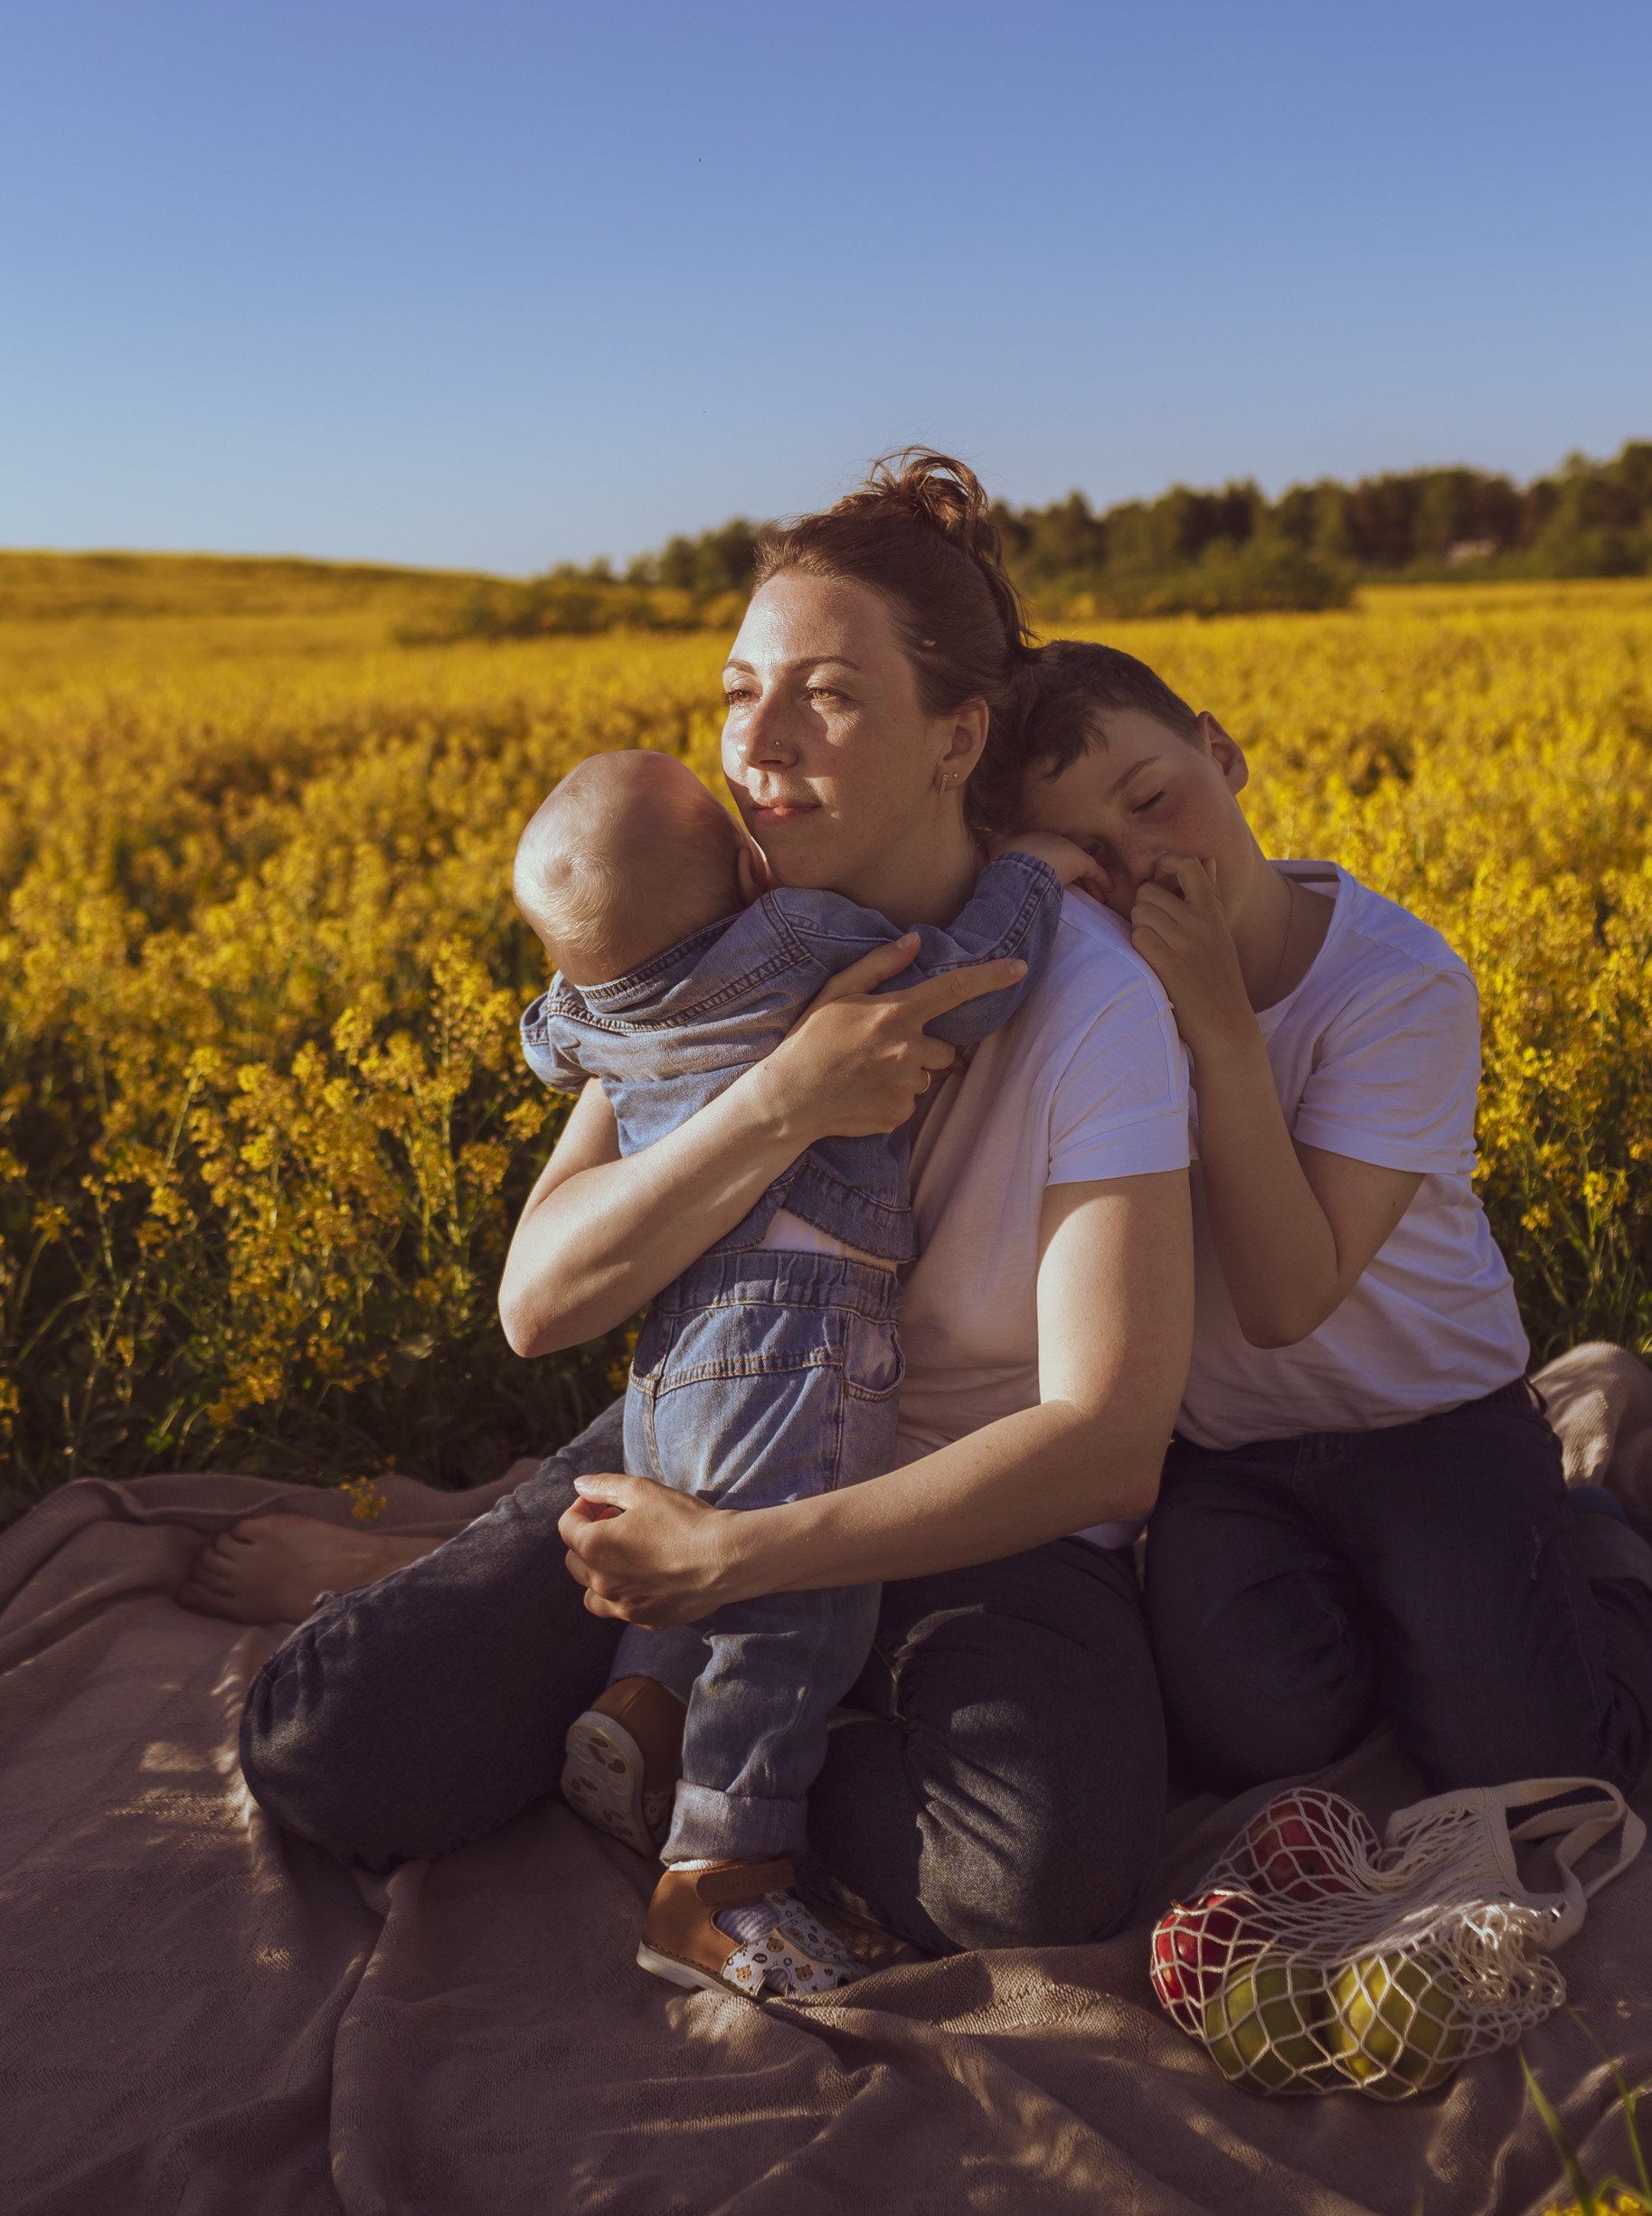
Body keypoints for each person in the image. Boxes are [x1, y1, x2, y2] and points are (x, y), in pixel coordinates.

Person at [216, 453, 1194, 1983]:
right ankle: (489, 1590)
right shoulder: (716, 965)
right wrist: (782, 1100)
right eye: (739, 691)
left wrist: (744, 1563)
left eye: (826, 696)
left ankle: (696, 1709)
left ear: (959, 735)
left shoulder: (1091, 1001)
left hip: (976, 1513)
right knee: (332, 1754)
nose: (759, 742)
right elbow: (541, 1302)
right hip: (712, 1437)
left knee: (1041, 1888)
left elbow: (1111, 1436)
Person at [1005, 637, 1652, 1802]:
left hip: (1433, 1420)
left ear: (1224, 750)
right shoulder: (1089, 996)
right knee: (1249, 1739)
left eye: (1157, 799)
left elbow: (1285, 1298)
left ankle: (1603, 1547)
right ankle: (1436, 1613)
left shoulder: (1395, 983)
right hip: (1229, 1459)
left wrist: (1218, 1027)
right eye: (1083, 859)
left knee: (1531, 1766)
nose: (1142, 864)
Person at [509, 745, 1061, 1999]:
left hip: (669, 1355)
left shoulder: (587, 1012)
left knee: (684, 1547)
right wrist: (1033, 869)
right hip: (794, 1339)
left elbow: (552, 1043)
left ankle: (642, 1718)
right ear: (751, 868)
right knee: (800, 1607)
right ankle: (719, 1881)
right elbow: (965, 988)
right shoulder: (798, 936)